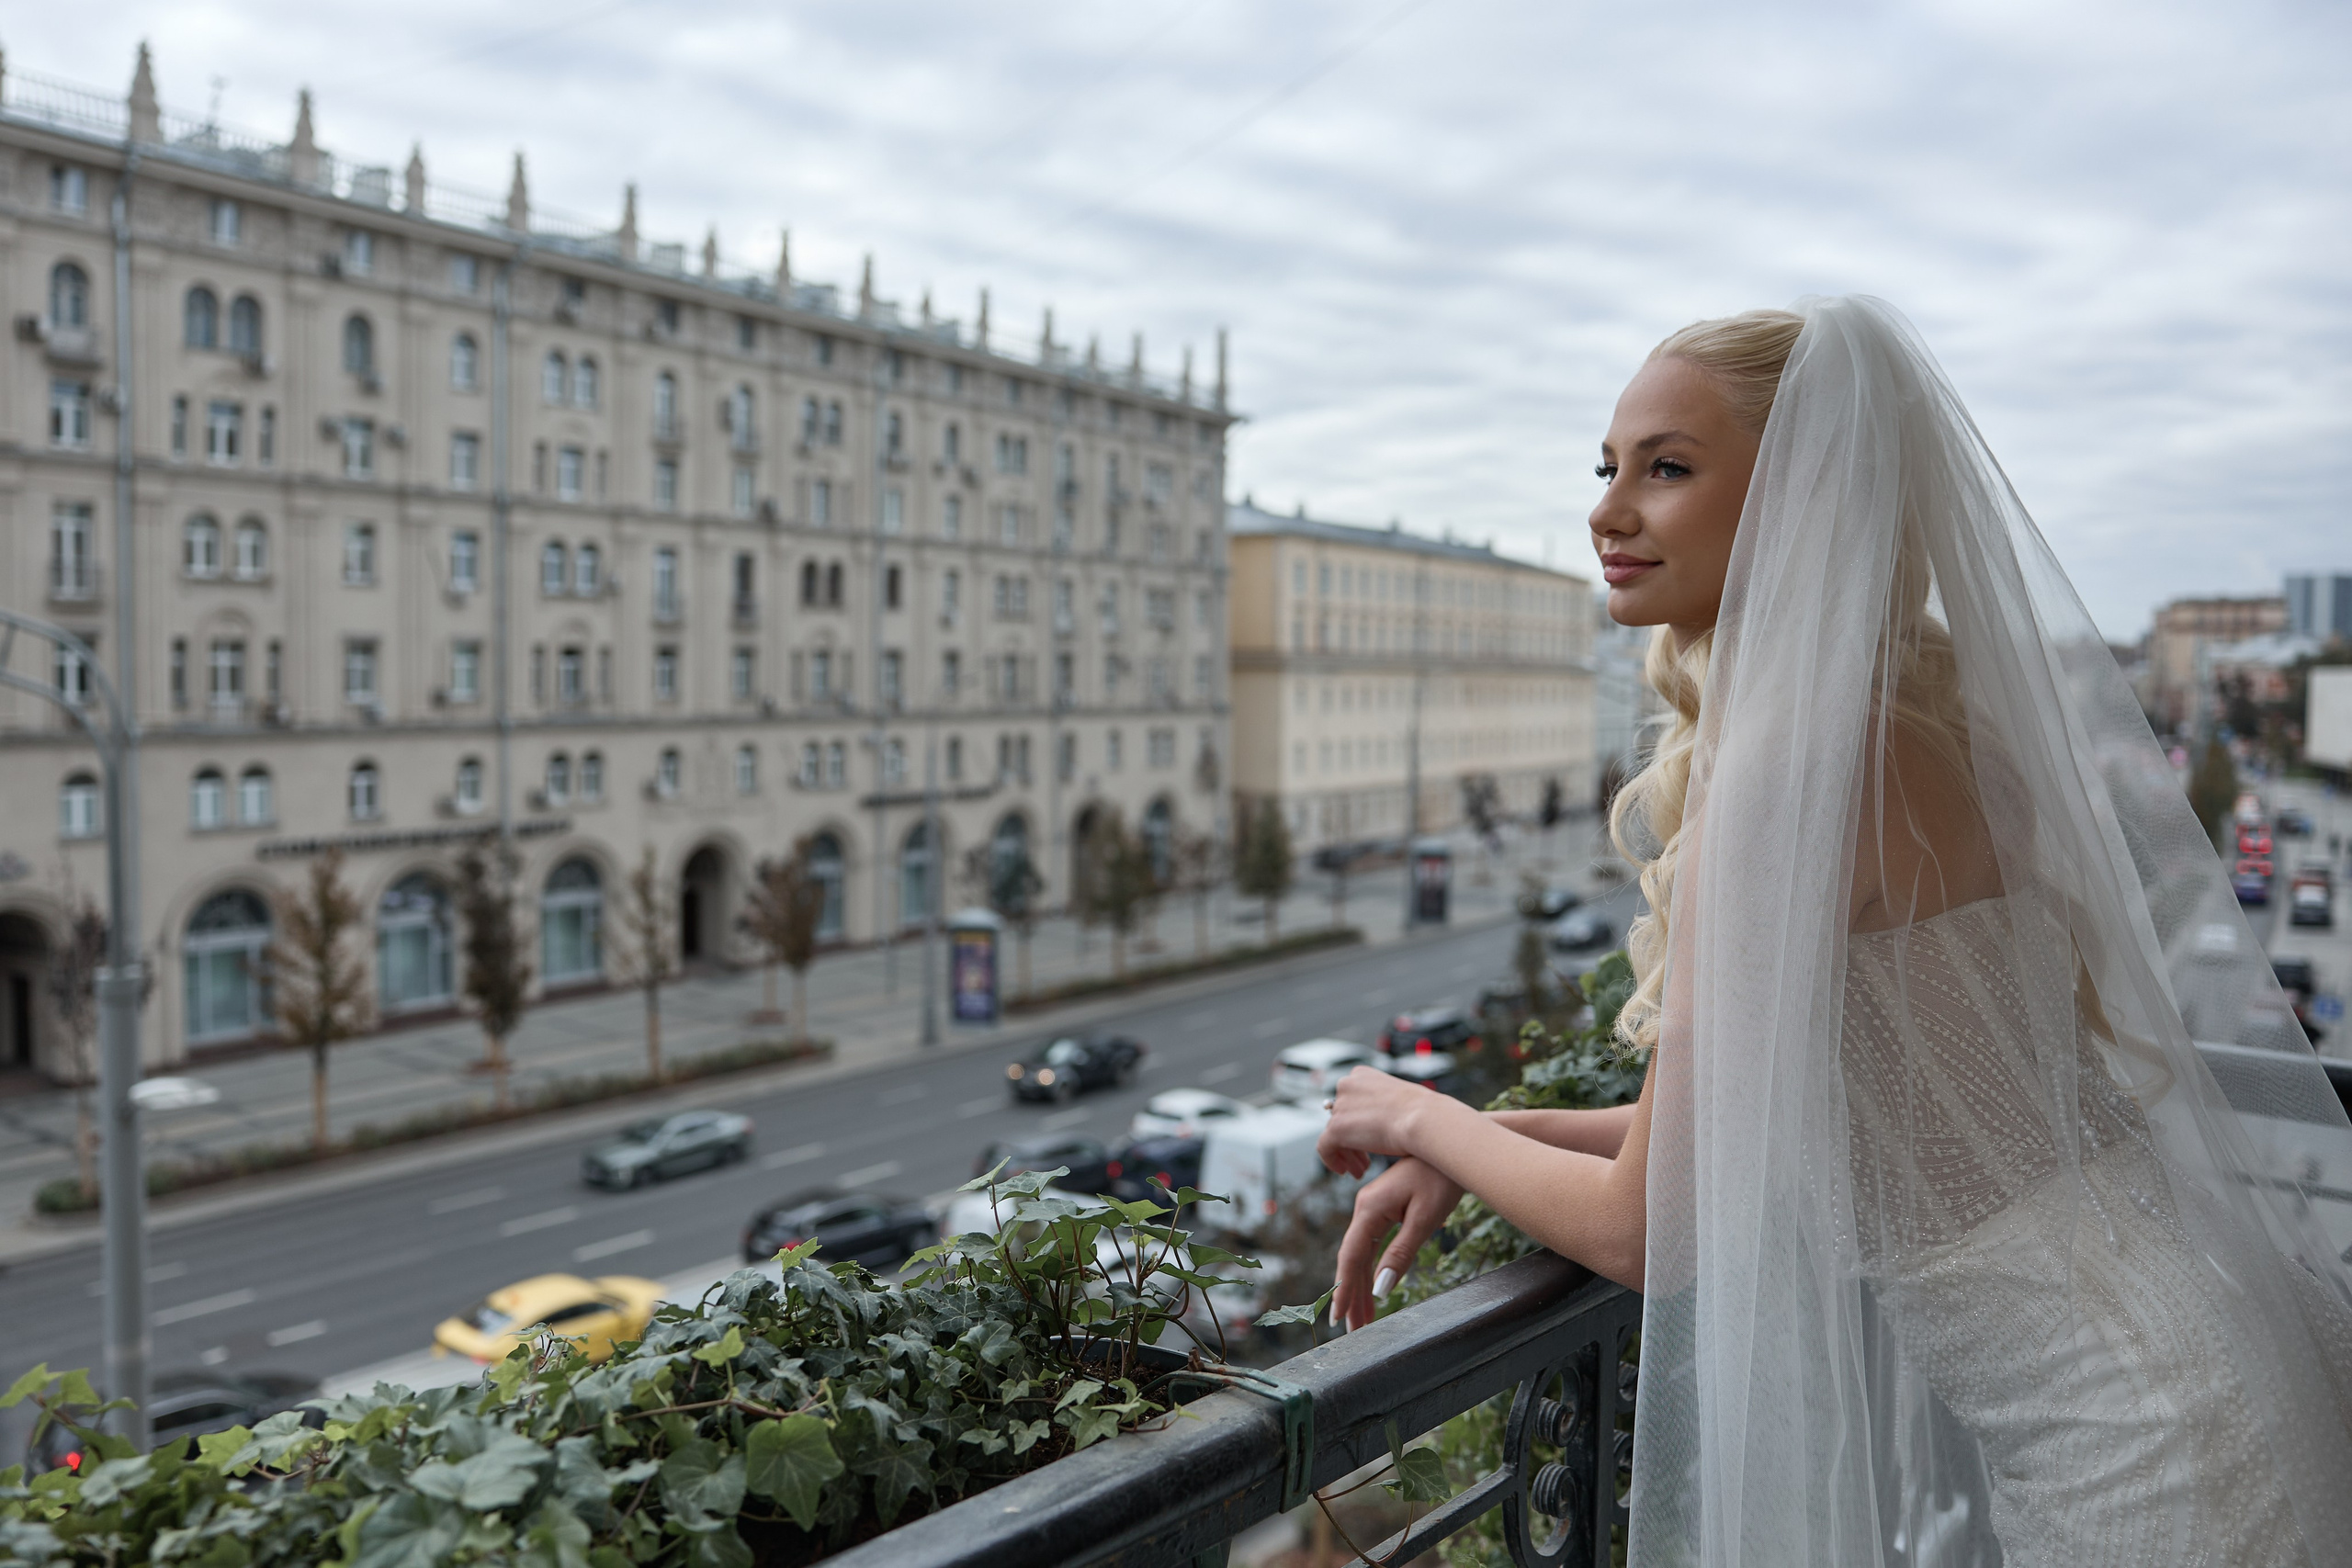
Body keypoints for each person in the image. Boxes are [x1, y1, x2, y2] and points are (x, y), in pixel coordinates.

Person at [1319, 298, 2352, 1566]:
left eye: (1670, 468)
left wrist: (1410, 1114)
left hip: (2138, 1441)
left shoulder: (1792, 772)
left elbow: (1652, 1235)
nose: (1608, 509)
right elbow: (1766, 1123)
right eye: (1610, 466)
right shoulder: (1929, 729)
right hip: (2208, 1358)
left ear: (1804, 498)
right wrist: (1498, 1133)